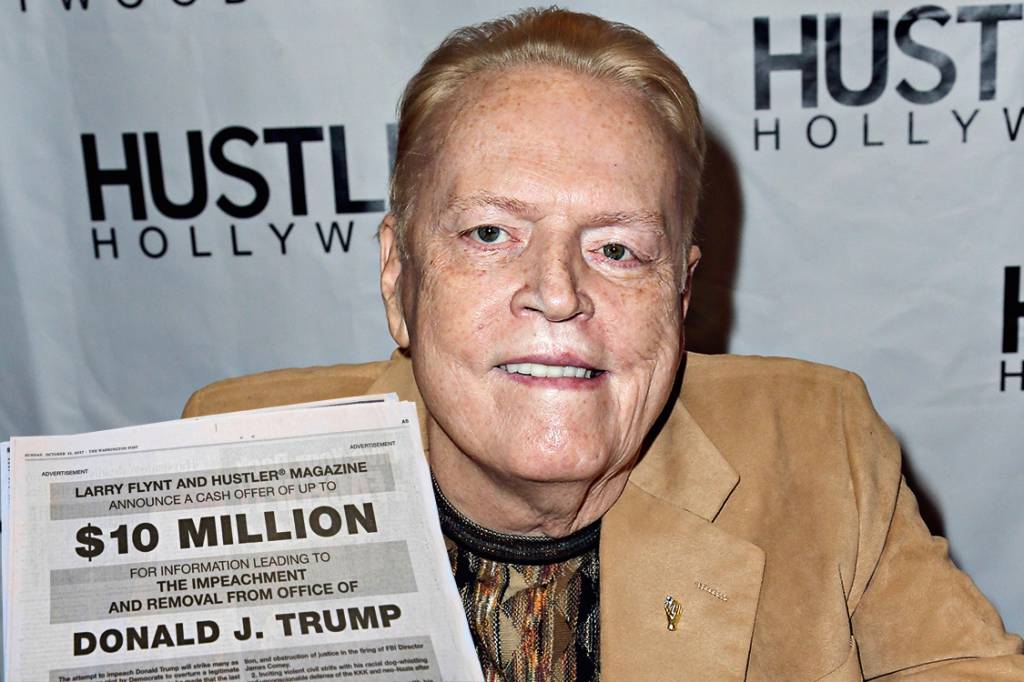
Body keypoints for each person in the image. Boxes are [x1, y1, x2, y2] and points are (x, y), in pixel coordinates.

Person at [183, 7, 1024, 680]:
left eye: (617, 249)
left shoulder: (816, 446)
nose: (557, 293)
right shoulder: (232, 465)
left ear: (682, 295)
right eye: (489, 232)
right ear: (399, 278)